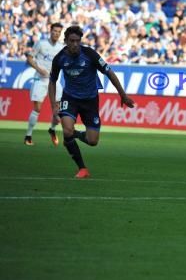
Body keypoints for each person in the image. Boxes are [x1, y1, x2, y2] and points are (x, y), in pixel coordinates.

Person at [48, 26, 135, 178]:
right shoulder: (59, 58)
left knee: (92, 141)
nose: (75, 44)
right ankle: (82, 168)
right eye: (71, 41)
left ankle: (73, 135)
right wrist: (54, 105)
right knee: (66, 130)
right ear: (66, 41)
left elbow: (109, 72)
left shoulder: (89, 54)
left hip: (90, 100)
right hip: (70, 98)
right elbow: (52, 81)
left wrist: (123, 95)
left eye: (77, 41)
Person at [24, 23, 64, 146]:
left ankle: (52, 130)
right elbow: (29, 58)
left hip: (55, 81)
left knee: (58, 110)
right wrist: (38, 68)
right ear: (50, 31)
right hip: (41, 80)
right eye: (55, 31)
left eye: (59, 31)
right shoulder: (41, 44)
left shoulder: (62, 47)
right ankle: (28, 136)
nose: (56, 33)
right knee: (37, 108)